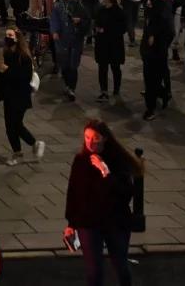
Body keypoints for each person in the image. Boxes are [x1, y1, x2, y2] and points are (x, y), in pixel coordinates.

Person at [64, 120, 141, 286]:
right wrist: (71, 224)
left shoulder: (117, 160)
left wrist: (105, 172)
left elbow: (125, 193)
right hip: (88, 222)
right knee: (93, 271)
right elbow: (74, 193)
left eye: (95, 138)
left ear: (105, 138)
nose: (90, 142)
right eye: (87, 137)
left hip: (115, 220)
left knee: (120, 266)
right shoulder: (80, 160)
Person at [0, 27, 43, 165]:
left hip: (20, 95)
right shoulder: (5, 52)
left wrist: (5, 69)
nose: (7, 38)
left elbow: (23, 77)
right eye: (6, 35)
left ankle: (29, 146)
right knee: (10, 126)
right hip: (8, 94)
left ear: (17, 37)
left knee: (15, 124)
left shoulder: (24, 57)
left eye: (10, 35)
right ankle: (21, 150)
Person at [139, 0, 174, 121]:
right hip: (154, 45)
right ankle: (161, 93)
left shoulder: (159, 2)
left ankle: (152, 106)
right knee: (154, 74)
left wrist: (153, 34)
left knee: (153, 75)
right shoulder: (163, 0)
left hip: (157, 46)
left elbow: (157, 20)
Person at [50, 0, 91, 101]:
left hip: (75, 40)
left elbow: (87, 21)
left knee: (73, 66)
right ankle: (67, 84)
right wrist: (55, 32)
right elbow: (54, 20)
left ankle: (71, 88)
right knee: (64, 64)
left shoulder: (81, 7)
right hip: (62, 40)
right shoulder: (58, 7)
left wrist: (80, 21)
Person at [93, 0, 126, 102]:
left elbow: (123, 28)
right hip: (102, 44)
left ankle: (116, 88)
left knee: (115, 68)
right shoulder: (100, 10)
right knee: (102, 68)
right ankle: (104, 91)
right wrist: (97, 29)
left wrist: (106, 30)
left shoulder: (118, 11)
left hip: (114, 45)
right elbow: (96, 23)